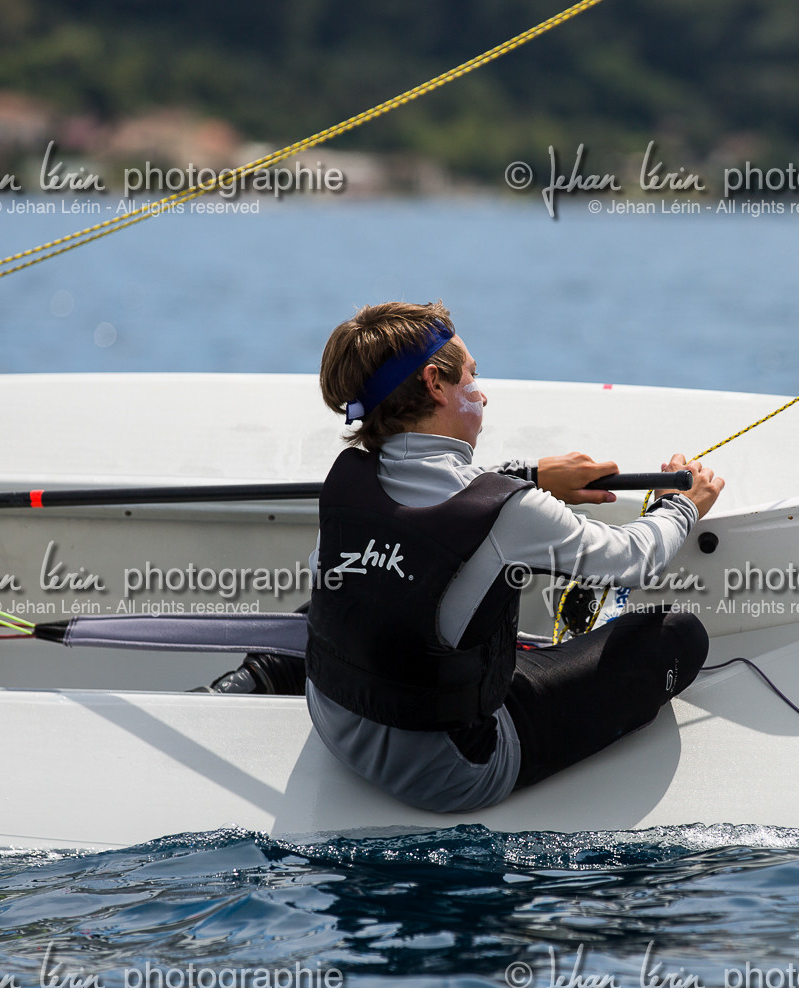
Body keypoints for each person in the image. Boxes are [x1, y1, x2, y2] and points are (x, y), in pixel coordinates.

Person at [296, 300, 721, 813]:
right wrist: (682, 504)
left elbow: (440, 497)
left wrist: (531, 475)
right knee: (676, 633)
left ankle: (260, 675)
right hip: (451, 772)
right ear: (435, 383)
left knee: (357, 592)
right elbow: (630, 559)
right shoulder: (512, 513)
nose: (484, 394)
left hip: (332, 720)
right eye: (472, 375)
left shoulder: (347, 482)